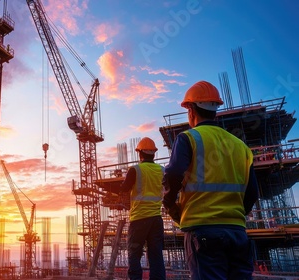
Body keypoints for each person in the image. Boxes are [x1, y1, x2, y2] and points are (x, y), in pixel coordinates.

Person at [162, 80, 259, 280]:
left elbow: (172, 175)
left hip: (203, 232)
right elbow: (252, 194)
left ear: (191, 109)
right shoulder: (241, 147)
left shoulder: (188, 138)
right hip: (237, 233)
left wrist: (170, 205)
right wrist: (233, 214)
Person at [108, 137, 166, 280]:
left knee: (134, 254)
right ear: (154, 154)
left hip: (139, 219)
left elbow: (124, 189)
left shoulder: (135, 170)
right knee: (156, 256)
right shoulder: (162, 170)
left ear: (139, 153)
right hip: (156, 219)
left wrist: (115, 189)